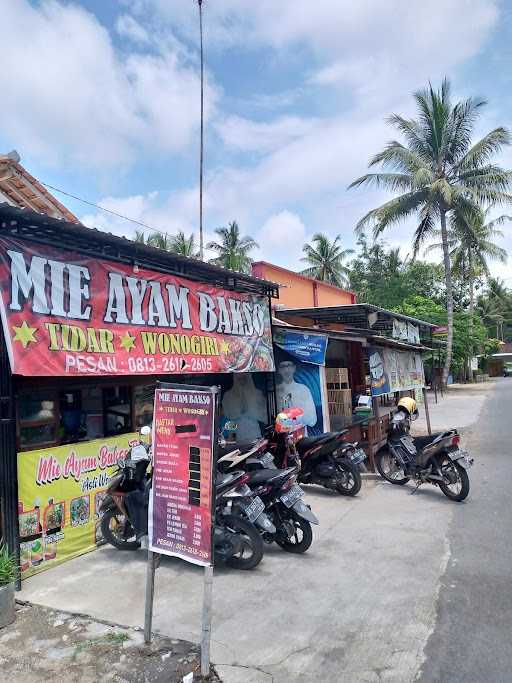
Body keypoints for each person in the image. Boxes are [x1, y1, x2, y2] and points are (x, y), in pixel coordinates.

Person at [222, 373, 267, 441]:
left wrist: (253, 413)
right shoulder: (228, 396)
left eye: (245, 375)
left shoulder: (258, 394)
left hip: (254, 434)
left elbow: (265, 417)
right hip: (236, 436)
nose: (242, 377)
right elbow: (226, 418)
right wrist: (230, 437)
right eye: (239, 375)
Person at [276, 360, 317, 433]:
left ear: (294, 368)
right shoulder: (276, 391)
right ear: (279, 370)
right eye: (283, 367)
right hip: (281, 435)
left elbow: (312, 420)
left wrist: (295, 413)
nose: (286, 370)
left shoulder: (303, 389)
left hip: (300, 436)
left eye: (289, 365)